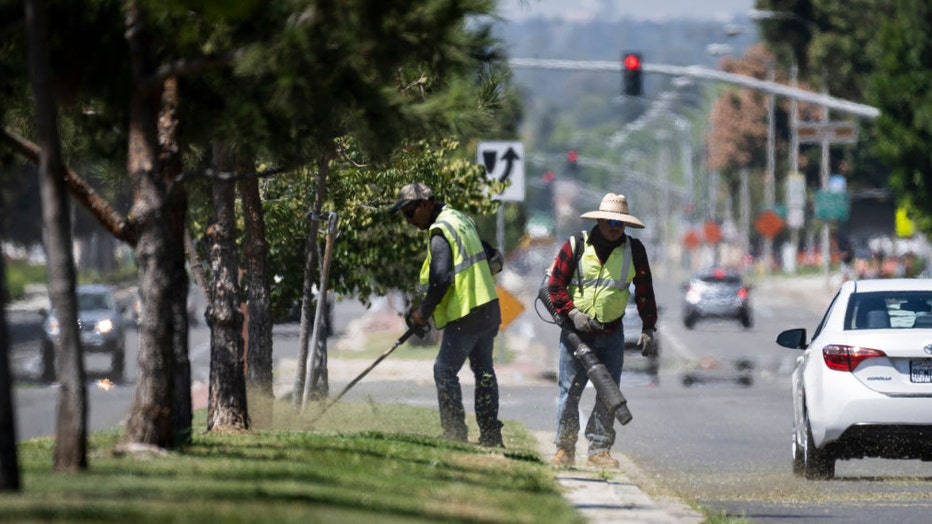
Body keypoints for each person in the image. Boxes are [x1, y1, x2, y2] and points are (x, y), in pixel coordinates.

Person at [546, 192, 658, 468]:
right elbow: (555, 286)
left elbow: (644, 292)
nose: (614, 226)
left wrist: (648, 327)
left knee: (608, 393)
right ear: (599, 221)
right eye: (609, 221)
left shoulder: (635, 250)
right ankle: (564, 448)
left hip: (611, 334)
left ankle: (599, 449)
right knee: (569, 391)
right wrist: (572, 312)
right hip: (575, 334)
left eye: (619, 223)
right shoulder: (576, 246)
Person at [389, 182, 505, 447]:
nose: (408, 220)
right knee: (484, 371)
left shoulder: (440, 230)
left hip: (467, 312)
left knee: (444, 370)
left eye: (409, 212)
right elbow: (492, 256)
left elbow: (440, 279)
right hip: (487, 307)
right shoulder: (461, 219)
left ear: (426, 204)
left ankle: (454, 432)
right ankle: (491, 434)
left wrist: (422, 313)